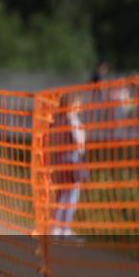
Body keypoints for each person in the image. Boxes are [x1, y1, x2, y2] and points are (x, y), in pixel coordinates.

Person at [49, 94, 90, 237]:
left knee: (61, 196)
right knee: (70, 197)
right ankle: (63, 228)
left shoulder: (56, 120)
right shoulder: (72, 121)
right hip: (71, 162)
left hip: (60, 161)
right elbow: (78, 144)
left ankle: (57, 227)